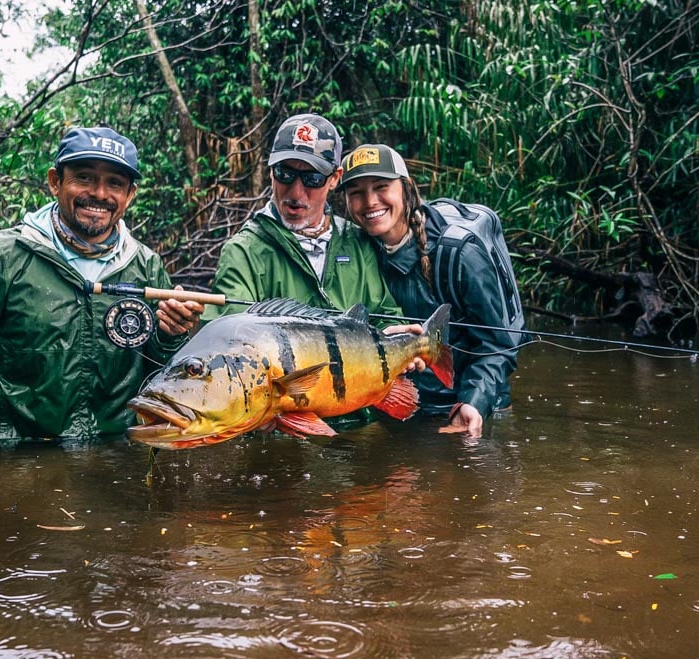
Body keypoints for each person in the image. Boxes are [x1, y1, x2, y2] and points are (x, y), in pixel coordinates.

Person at [0, 126, 203, 454]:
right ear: (55, 181)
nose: (100, 194)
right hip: (14, 455)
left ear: (130, 195)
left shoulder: (146, 266)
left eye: (115, 184)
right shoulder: (3, 256)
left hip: (116, 455)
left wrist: (171, 335)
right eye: (85, 178)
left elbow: (162, 378)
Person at [338, 143, 522, 438]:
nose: (370, 201)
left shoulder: (461, 253)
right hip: (404, 407)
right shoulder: (355, 251)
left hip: (471, 409)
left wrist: (474, 402)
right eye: (356, 192)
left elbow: (498, 344)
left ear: (406, 189)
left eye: (381, 187)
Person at [203, 114, 404, 326]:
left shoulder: (357, 242)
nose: (296, 193)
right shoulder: (243, 252)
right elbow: (232, 335)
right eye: (285, 174)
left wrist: (400, 340)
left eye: (313, 179)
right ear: (271, 172)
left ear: (334, 178)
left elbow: (386, 318)